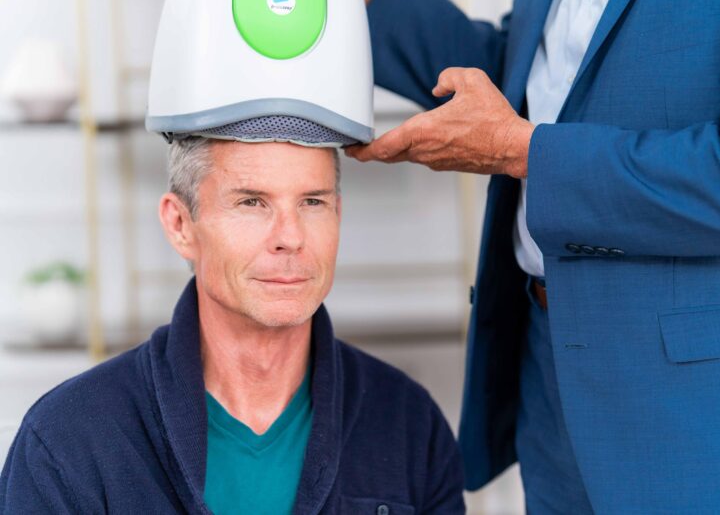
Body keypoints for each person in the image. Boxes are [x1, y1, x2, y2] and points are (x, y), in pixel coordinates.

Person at [351, 0, 720, 512]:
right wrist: (374, 2)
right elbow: (536, 79)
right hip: (547, 366)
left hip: (705, 407)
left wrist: (522, 151)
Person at [0, 138, 465, 514]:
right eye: (252, 202)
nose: (290, 237)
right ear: (180, 224)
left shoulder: (407, 423)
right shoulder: (69, 440)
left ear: (338, 215)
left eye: (312, 202)